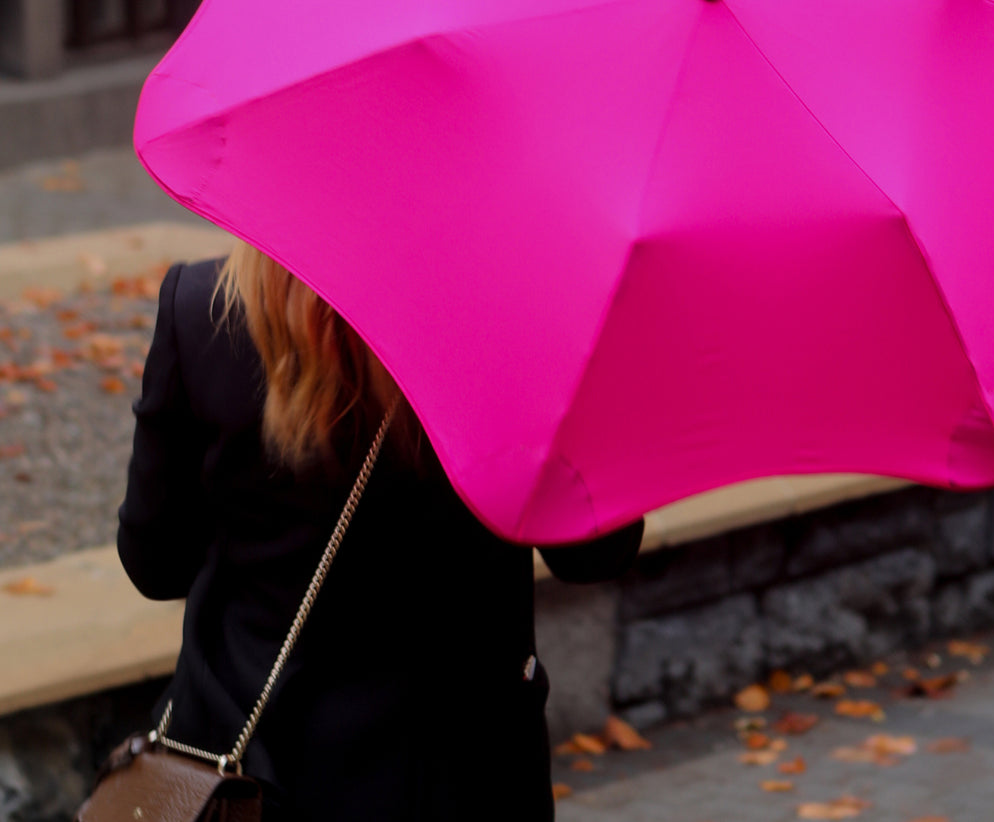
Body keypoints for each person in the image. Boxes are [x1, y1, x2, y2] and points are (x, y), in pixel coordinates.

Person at [117, 246, 644, 821]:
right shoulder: (515, 314)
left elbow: (156, 564)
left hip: (258, 769)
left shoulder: (199, 307)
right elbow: (595, 555)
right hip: (466, 767)